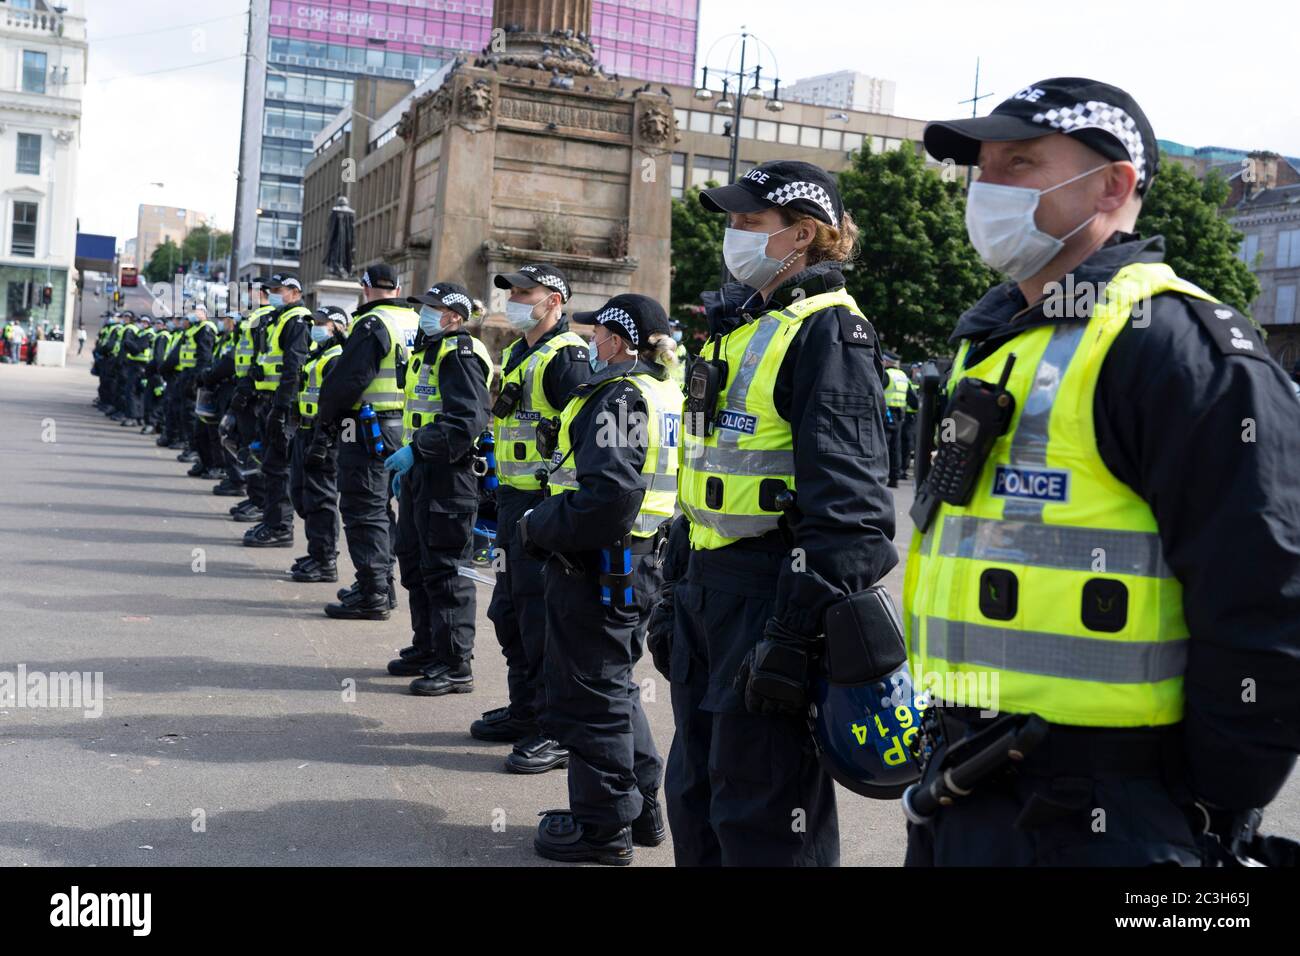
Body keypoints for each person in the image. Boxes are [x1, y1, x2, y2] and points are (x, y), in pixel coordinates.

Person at [905, 77, 1300, 866]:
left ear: (1114, 184)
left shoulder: (1176, 346)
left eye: (1019, 163)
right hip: (968, 774)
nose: (988, 189)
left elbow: (1267, 604)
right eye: (983, 169)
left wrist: (1204, 802)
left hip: (1111, 806)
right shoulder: (1000, 339)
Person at [650, 159, 897, 866]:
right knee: (697, 797)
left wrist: (791, 635)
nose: (733, 235)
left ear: (803, 234)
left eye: (748, 222)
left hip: (770, 600)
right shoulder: (741, 327)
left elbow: (850, 518)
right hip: (710, 595)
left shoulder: (828, 334)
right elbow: (705, 477)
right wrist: (676, 591)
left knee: (761, 814)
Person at [523, 293, 680, 865]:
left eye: (596, 336)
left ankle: (603, 829)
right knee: (613, 688)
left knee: (590, 695)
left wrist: (536, 526)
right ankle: (640, 810)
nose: (590, 344)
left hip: (600, 565)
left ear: (616, 340)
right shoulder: (664, 390)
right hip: (638, 562)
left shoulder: (621, 397)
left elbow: (607, 499)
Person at [474, 263, 591, 775]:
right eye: (512, 292)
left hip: (543, 509)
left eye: (526, 292)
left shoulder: (566, 358)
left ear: (555, 301)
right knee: (510, 613)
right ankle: (526, 711)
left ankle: (555, 730)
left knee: (545, 622)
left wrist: (559, 512)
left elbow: (583, 445)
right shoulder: (521, 352)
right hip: (510, 503)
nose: (515, 299)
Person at [384, 282, 492, 694]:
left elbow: (466, 422)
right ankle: (427, 648)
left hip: (449, 477)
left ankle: (454, 664)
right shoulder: (427, 351)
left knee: (446, 572)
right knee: (414, 563)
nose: (423, 313)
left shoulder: (459, 353)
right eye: (423, 306)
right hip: (422, 475)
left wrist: (416, 451)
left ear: (454, 317)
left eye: (432, 307)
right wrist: (411, 462)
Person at [316, 263, 419, 618]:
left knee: (365, 509)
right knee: (382, 509)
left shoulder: (373, 323)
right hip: (402, 430)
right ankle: (379, 584)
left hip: (369, 430)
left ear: (365, 287)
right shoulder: (415, 321)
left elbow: (349, 380)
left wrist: (325, 421)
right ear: (398, 286)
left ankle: (374, 591)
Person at [244, 274, 312, 548]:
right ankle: (273, 521)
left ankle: (281, 527)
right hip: (270, 400)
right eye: (271, 290)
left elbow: (293, 368)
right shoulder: (279, 318)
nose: (273, 294)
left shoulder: (297, 320)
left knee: (279, 468)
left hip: (285, 404)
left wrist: (281, 408)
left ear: (295, 292)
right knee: (271, 465)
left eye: (278, 290)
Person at [288, 306, 350, 583]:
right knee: (301, 494)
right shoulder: (320, 354)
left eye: (322, 323)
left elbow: (336, 403)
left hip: (322, 435)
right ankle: (317, 551)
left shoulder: (337, 357)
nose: (316, 326)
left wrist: (323, 440)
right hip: (305, 430)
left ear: (336, 326)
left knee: (320, 498)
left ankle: (325, 560)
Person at [228, 279, 277, 526]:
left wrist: (247, 387)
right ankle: (254, 497)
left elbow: (261, 356)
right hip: (248, 387)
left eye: (251, 292)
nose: (248, 296)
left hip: (257, 392)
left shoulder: (266, 317)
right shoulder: (255, 316)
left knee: (256, 449)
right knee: (249, 446)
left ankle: (260, 502)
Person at [882, 352, 912, 487]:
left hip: (886, 413)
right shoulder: (903, 376)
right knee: (896, 447)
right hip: (900, 415)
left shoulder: (886, 375)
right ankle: (894, 478)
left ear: (887, 361)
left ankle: (881, 476)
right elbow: (913, 400)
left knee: (884, 446)